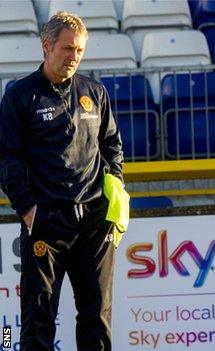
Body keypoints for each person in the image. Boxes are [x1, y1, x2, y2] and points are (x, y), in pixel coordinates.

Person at [0, 11, 123, 351]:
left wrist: (115, 196)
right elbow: (7, 158)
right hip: (46, 222)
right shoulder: (20, 96)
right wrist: (28, 211)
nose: (74, 57)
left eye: (80, 50)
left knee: (97, 316)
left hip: (95, 223)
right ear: (46, 45)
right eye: (68, 49)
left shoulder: (94, 92)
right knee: (37, 317)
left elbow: (112, 146)